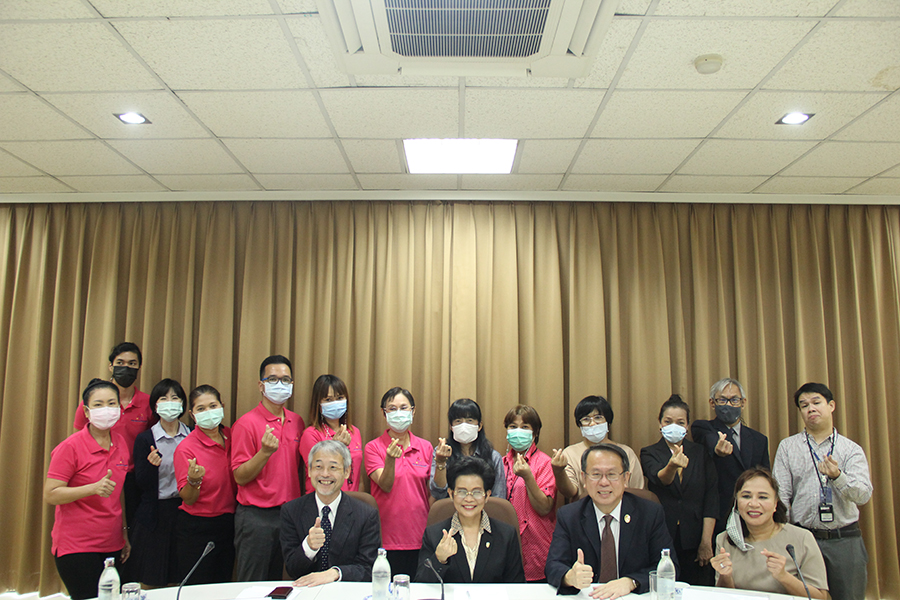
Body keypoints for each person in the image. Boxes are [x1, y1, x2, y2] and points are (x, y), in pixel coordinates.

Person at [773, 382, 872, 600]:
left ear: (831, 405)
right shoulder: (788, 447)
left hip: (844, 539)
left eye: (816, 402)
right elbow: (781, 496)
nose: (811, 409)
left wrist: (838, 477)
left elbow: (863, 495)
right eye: (804, 405)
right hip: (802, 538)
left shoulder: (850, 449)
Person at [545, 444, 676, 598]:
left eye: (612, 474)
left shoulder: (650, 513)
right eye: (596, 474)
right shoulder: (569, 516)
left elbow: (667, 566)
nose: (604, 482)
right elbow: (553, 566)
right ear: (584, 478)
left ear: (626, 478)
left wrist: (631, 581)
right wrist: (569, 577)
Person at [45, 379, 130, 600]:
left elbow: (117, 492)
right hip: (77, 547)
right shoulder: (70, 447)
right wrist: (92, 488)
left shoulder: (120, 442)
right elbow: (51, 493)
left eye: (112, 403)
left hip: (112, 542)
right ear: (86, 410)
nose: (106, 409)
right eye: (99, 404)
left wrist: (124, 534)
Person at [231, 355, 306, 581]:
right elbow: (239, 477)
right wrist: (264, 453)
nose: (280, 385)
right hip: (256, 517)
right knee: (251, 584)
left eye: (286, 379)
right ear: (261, 385)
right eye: (273, 379)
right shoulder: (246, 424)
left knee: (276, 583)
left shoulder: (297, 422)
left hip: (289, 515)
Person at [711, 467, 827, 598]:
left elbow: (820, 597)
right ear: (736, 502)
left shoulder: (802, 538)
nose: (754, 503)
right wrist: (725, 576)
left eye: (763, 497)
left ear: (775, 503)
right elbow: (722, 596)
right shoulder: (725, 539)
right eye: (746, 496)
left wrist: (784, 577)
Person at [74, 343, 155, 527]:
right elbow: (79, 437)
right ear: (111, 366)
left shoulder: (146, 402)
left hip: (133, 478)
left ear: (139, 368)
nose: (126, 368)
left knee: (131, 529)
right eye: (120, 362)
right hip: (98, 477)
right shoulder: (92, 401)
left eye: (132, 363)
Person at [640, 394, 718, 586]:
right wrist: (672, 466)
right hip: (661, 535)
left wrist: (706, 542)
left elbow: (711, 497)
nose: (674, 426)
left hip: (695, 536)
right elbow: (661, 479)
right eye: (668, 421)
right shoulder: (649, 452)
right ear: (659, 423)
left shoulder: (700, 452)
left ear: (687, 425)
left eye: (680, 422)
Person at [281, 440, 382, 586]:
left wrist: (335, 573)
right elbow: (292, 569)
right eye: (318, 467)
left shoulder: (366, 515)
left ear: (347, 471)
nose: (325, 474)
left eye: (333, 467)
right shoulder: (291, 511)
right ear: (309, 471)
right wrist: (309, 547)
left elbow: (369, 568)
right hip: (307, 592)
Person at [417, 456, 524, 583]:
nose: (469, 499)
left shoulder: (506, 535)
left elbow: (517, 587)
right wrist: (439, 559)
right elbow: (421, 585)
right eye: (462, 492)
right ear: (451, 494)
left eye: (476, 492)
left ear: (487, 495)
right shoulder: (434, 534)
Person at [364, 387, 433, 578]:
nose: (399, 413)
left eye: (404, 408)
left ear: (413, 411)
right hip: (385, 539)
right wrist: (390, 459)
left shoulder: (425, 447)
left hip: (419, 536)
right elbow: (385, 485)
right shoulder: (373, 447)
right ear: (383, 413)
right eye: (392, 409)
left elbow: (432, 492)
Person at [173, 385, 237, 584]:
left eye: (213, 405)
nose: (208, 412)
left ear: (222, 406)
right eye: (201, 409)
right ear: (192, 414)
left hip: (229, 522)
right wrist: (194, 480)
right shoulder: (186, 449)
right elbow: (189, 498)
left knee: (223, 583)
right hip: (197, 528)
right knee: (199, 588)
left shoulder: (232, 434)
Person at [130, 379, 191, 587]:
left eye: (175, 398)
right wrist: (150, 467)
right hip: (154, 516)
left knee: (180, 579)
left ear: (183, 404)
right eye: (163, 398)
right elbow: (140, 483)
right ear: (155, 405)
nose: (170, 402)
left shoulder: (192, 435)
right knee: (151, 580)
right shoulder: (145, 439)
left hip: (185, 512)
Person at [691, 378, 770, 536]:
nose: (728, 404)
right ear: (712, 403)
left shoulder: (759, 440)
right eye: (722, 400)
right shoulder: (703, 427)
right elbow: (709, 439)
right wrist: (718, 449)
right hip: (717, 517)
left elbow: (765, 478)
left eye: (734, 400)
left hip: (752, 516)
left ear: (743, 403)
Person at [552, 395, 644, 503]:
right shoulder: (570, 453)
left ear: (608, 422)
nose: (593, 423)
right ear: (579, 425)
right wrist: (558, 472)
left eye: (598, 418)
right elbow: (571, 492)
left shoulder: (626, 452)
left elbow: (638, 492)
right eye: (586, 419)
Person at [503, 404, 556, 582]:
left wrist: (528, 477)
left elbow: (544, 508)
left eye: (525, 427)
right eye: (513, 426)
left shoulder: (545, 463)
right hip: (504, 545)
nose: (518, 431)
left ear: (535, 433)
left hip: (536, 545)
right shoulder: (500, 463)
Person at [431, 398, 505, 501]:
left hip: (485, 514)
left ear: (479, 426)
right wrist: (441, 462)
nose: (464, 426)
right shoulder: (441, 452)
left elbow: (499, 498)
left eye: (469, 421)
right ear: (451, 427)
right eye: (458, 421)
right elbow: (438, 493)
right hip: (450, 513)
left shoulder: (493, 457)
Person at [299, 374, 363, 493]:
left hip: (351, 503)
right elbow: (318, 473)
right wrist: (337, 446)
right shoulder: (311, 434)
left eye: (339, 398)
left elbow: (359, 476)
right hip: (322, 501)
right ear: (318, 404)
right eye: (328, 400)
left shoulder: (355, 432)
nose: (335, 403)